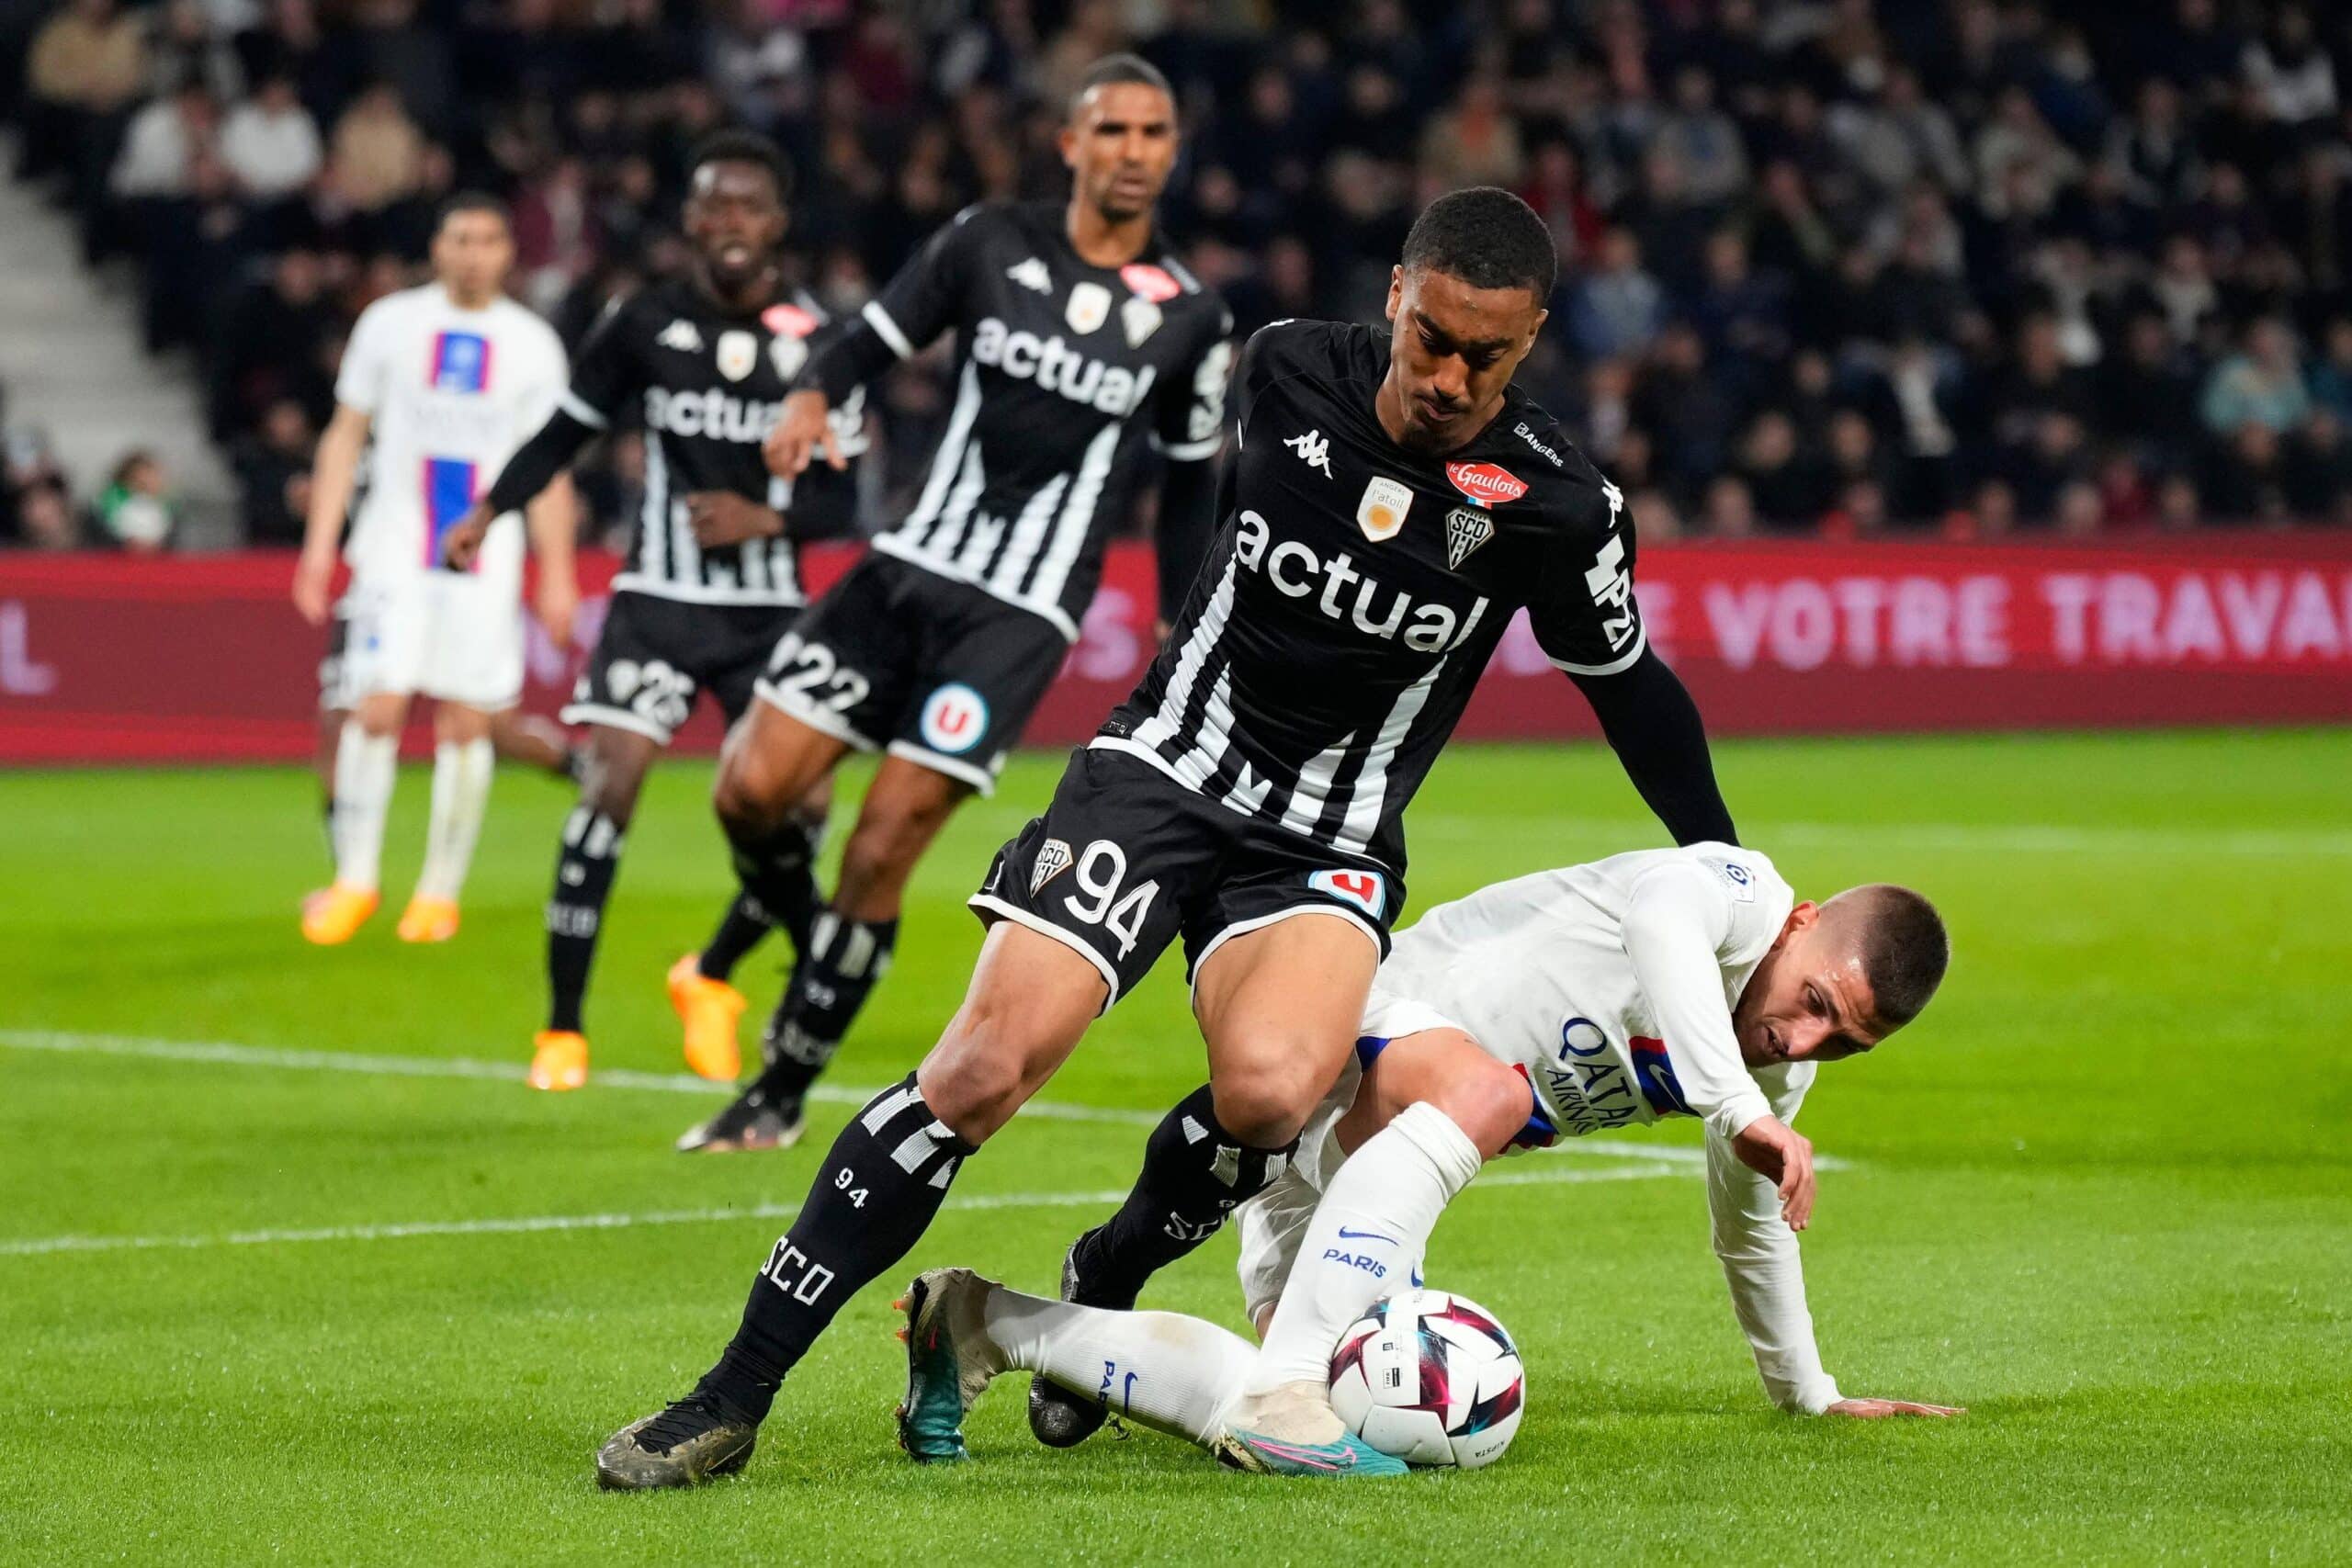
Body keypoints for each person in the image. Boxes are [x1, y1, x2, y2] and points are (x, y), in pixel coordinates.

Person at [592, 185, 1741, 1491]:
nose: (1453, 376)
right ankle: (730, 1393)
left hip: (1327, 835)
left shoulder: (1558, 503)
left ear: (1531, 344)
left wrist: (1726, 863)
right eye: (1435, 336)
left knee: (1273, 1091)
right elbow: (1200, 503)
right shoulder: (1289, 368)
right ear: (1396, 300)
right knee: (979, 1068)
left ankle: (1110, 1270)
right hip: (1163, 770)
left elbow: (1631, 688)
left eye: (1492, 354)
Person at [894, 850, 1962, 1478]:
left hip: (1383, 1156)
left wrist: (1807, 1393)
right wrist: (1730, 1101)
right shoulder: (1734, 889)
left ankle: (986, 1322)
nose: (1803, 1040)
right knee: (1485, 1103)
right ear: (1803, 925)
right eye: (1817, 1003)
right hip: (1376, 1014)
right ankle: (1247, 1364)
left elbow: (1751, 1227)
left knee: (1343, 1415)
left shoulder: (1773, 1075)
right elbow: (1658, 921)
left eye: (1842, 1044)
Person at [677, 53, 1233, 1152]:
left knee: (883, 846)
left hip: (1015, 618)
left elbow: (1185, 489)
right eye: (1111, 130)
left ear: (1171, 153)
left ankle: (779, 1090)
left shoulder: (1191, 319)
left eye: (1153, 134)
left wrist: (1179, 627)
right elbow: (867, 340)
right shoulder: (989, 241)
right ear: (1070, 145)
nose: (1133, 152)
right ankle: (803, 931)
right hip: (902, 572)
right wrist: (806, 399)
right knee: (747, 791)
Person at [442, 130, 866, 1090]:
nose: (729, 224)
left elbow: (846, 501)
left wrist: (766, 514)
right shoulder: (644, 323)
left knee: (798, 816)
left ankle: (711, 977)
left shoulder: (821, 343)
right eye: (712, 205)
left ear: (777, 223)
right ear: (688, 220)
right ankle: (562, 1031)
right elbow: (566, 432)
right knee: (609, 790)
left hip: (767, 616)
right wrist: (489, 509)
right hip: (656, 602)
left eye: (747, 207)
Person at [291, 192, 576, 948]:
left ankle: (438, 893)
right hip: (393, 545)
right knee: (375, 707)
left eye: (488, 239)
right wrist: (321, 546)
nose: (474, 252)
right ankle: (354, 879)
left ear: (508, 253)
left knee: (465, 720)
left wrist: (557, 571)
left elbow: (547, 468)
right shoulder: (390, 323)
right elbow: (344, 435)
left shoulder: (532, 344)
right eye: (461, 237)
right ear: (438, 246)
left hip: (487, 554)